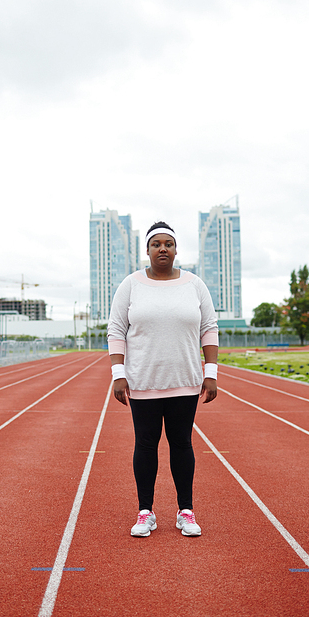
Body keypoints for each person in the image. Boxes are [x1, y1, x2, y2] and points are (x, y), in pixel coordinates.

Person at [107, 221, 218, 537]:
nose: (163, 248)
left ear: (176, 249)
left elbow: (209, 328)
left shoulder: (194, 284)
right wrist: (119, 374)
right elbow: (116, 329)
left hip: (185, 379)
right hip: (143, 380)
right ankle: (146, 512)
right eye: (156, 244)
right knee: (145, 443)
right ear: (147, 250)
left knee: (182, 443)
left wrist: (211, 373)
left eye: (168, 243)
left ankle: (186, 511)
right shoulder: (132, 284)